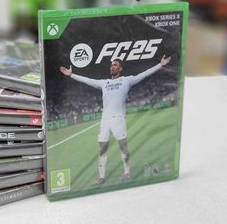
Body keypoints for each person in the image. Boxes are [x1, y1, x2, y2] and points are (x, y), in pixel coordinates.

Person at [59, 55, 171, 184]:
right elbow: (88, 80)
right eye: (111, 65)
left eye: (115, 65)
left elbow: (143, 75)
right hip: (105, 120)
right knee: (102, 149)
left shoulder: (126, 80)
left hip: (118, 119)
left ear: (120, 68)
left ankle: (127, 171)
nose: (112, 67)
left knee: (123, 146)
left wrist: (160, 65)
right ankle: (101, 177)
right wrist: (72, 75)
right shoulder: (104, 83)